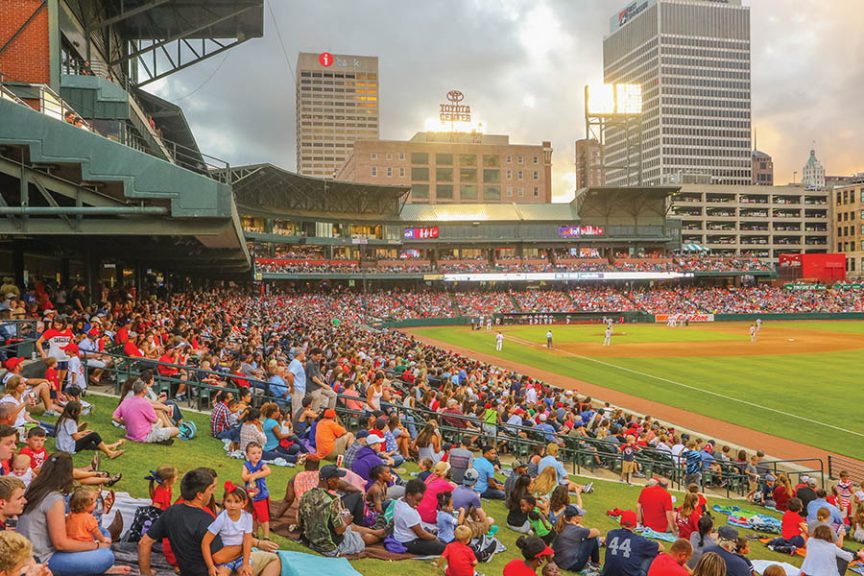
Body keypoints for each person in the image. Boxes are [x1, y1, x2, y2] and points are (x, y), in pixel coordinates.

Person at [139, 467, 281, 576]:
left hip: (187, 571)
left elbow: (144, 543)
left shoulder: (171, 511)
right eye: (211, 489)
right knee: (273, 559)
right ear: (200, 495)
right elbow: (220, 557)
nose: (212, 493)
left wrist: (146, 573)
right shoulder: (205, 520)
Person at [18, 453, 117, 575]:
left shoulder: (33, 488)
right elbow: (60, 544)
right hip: (43, 558)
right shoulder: (54, 499)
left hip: (29, 551)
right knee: (107, 556)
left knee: (102, 531)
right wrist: (96, 546)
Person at [298, 464, 384, 556]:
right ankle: (380, 535)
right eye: (337, 478)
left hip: (310, 541)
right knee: (364, 537)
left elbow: (299, 521)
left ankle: (376, 532)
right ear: (330, 481)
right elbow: (339, 530)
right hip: (329, 547)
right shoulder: (332, 500)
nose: (339, 481)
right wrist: (346, 521)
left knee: (352, 528)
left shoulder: (305, 495)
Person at [201, 482, 253, 576]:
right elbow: (205, 542)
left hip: (241, 556)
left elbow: (247, 540)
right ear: (224, 502)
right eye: (229, 501)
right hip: (225, 557)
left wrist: (245, 564)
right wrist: (211, 566)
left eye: (236, 502)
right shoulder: (221, 519)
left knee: (246, 573)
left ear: (244, 503)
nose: (232, 505)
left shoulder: (247, 517)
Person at [112, 380, 179, 445]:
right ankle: (159, 439)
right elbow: (154, 420)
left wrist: (125, 423)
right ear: (143, 390)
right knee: (176, 430)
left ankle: (160, 438)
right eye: (146, 388)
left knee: (160, 421)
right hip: (144, 436)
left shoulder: (126, 401)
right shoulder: (144, 403)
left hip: (130, 434)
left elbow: (114, 417)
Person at [392, 478, 446, 555]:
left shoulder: (399, 500)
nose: (419, 504)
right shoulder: (408, 511)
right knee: (444, 548)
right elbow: (421, 534)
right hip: (409, 542)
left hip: (401, 537)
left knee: (441, 540)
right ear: (409, 495)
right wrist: (434, 538)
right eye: (417, 500)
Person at [56, 401, 125, 459]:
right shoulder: (70, 421)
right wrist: (86, 435)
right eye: (80, 410)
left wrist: (83, 433)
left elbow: (71, 434)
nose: (81, 412)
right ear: (74, 412)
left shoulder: (64, 418)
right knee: (94, 435)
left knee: (88, 442)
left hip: (61, 446)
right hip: (68, 448)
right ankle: (109, 453)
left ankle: (110, 446)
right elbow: (76, 438)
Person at [602, 510, 661, 576]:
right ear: (635, 525)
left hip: (607, 574)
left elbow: (605, 542)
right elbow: (660, 547)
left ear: (621, 523)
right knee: (652, 553)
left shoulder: (611, 534)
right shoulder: (640, 540)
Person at [552, 504, 602, 573]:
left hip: (558, 561)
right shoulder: (576, 530)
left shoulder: (561, 525)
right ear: (574, 517)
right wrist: (581, 527)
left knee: (586, 538)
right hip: (572, 565)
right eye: (580, 515)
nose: (582, 517)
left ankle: (592, 563)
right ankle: (595, 565)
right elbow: (597, 532)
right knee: (592, 539)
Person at [241, 442, 272, 540]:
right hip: (251, 495)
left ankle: (266, 535)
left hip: (261, 495)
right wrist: (252, 476)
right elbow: (244, 477)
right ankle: (255, 532)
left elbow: (268, 471)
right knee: (252, 515)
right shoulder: (246, 465)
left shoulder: (261, 464)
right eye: (253, 453)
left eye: (259, 452)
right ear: (248, 455)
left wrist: (255, 476)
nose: (257, 455)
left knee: (263, 517)